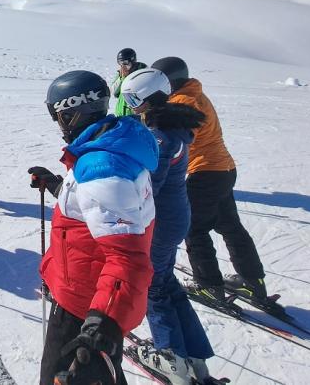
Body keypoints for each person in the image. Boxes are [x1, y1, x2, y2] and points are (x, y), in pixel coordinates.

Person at [28, 70, 158, 385]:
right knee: (101, 373)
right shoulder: (109, 149)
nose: (59, 125)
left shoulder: (102, 168)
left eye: (59, 116)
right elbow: (96, 209)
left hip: (85, 306)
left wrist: (102, 323)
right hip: (91, 296)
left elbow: (127, 258)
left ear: (72, 115)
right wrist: (59, 187)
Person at [120, 68, 216, 385]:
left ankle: (172, 360)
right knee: (166, 284)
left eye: (134, 99)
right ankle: (195, 357)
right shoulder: (171, 127)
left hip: (162, 221)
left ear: (148, 100)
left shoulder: (161, 136)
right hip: (175, 216)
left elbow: (151, 186)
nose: (130, 104)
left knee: (153, 288)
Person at [152, 56, 268, 303]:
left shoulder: (183, 100)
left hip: (205, 172)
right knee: (230, 226)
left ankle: (208, 285)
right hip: (223, 169)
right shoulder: (195, 94)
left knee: (194, 228)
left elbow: (180, 134)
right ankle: (252, 281)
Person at [111, 48, 148, 116]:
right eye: (120, 63)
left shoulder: (143, 73)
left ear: (132, 61)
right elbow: (113, 91)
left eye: (125, 63)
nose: (123, 66)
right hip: (121, 115)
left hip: (136, 116)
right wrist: (121, 79)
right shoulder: (120, 74)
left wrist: (128, 79)